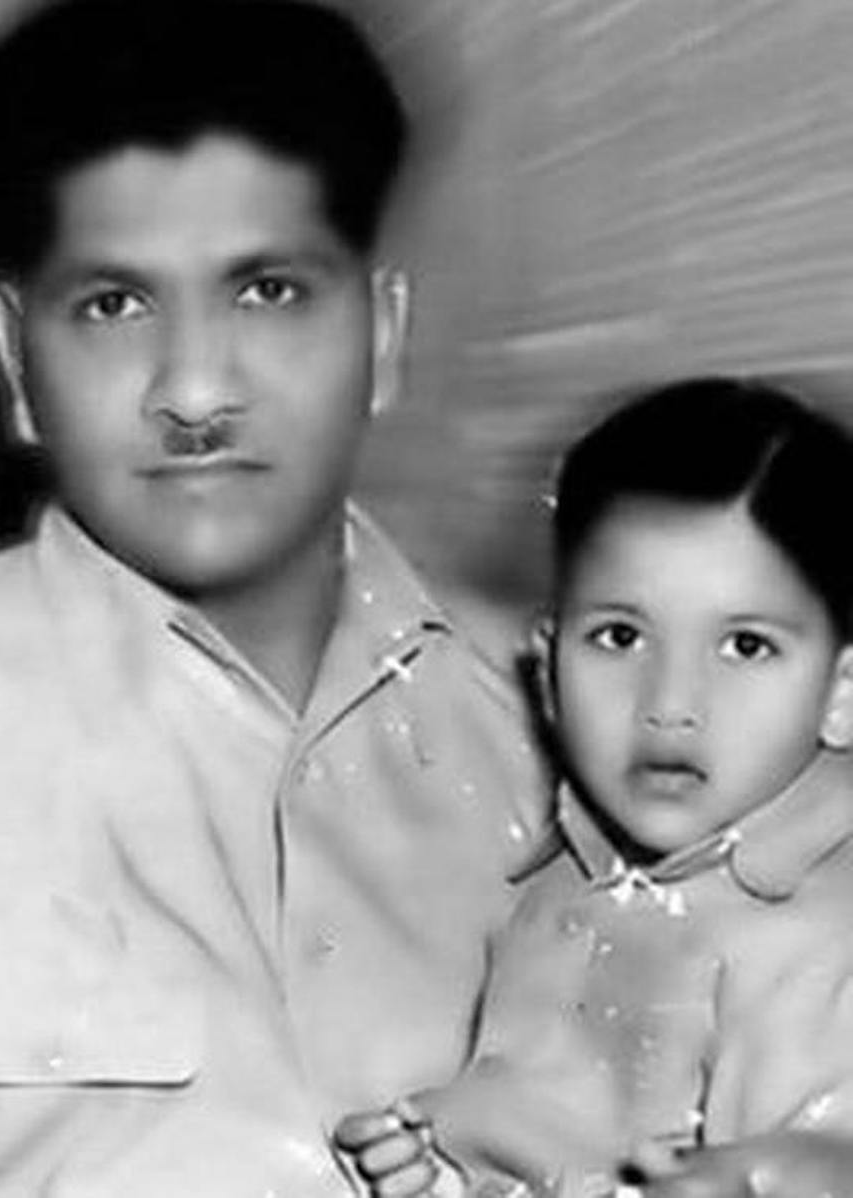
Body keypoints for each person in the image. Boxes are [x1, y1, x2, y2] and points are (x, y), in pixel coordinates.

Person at [0, 2, 552, 1193]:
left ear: (380, 332)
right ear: (16, 365)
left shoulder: (564, 717)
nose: (192, 389)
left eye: (268, 292)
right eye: (114, 305)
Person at [336, 380, 853, 1197]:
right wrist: (433, 1164)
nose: (670, 705)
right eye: (618, 637)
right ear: (545, 673)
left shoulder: (828, 937)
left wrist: (760, 1179)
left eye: (745, 647)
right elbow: (534, 1130)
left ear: (842, 689)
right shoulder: (555, 885)